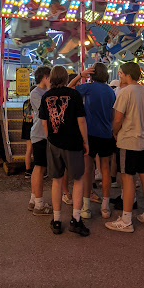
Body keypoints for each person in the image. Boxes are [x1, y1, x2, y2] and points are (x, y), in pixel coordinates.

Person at [39, 66, 90, 236]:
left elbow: (44, 123)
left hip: (54, 144)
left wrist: (51, 138)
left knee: (56, 180)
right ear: (66, 78)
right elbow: (81, 121)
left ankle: (57, 219)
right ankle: (76, 219)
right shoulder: (74, 95)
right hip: (74, 143)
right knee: (77, 180)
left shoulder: (46, 97)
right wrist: (85, 141)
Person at [106, 62, 144, 233]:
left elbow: (117, 119)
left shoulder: (125, 92)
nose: (120, 76)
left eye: (121, 74)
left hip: (128, 142)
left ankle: (126, 220)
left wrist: (114, 132)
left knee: (128, 180)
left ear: (127, 75)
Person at [68, 63, 116, 219]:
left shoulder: (88, 87)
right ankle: (105, 206)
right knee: (106, 170)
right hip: (106, 134)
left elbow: (68, 89)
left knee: (88, 171)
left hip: (90, 135)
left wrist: (80, 75)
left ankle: (86, 207)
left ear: (92, 74)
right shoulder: (110, 91)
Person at [28, 66, 52, 216]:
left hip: (42, 134)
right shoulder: (36, 93)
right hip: (40, 134)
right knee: (39, 167)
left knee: (40, 167)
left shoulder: (43, 92)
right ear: (45, 77)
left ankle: (33, 199)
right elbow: (46, 110)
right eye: (50, 76)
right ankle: (39, 204)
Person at [22, 85, 36, 178]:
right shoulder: (36, 102)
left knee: (28, 149)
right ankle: (36, 169)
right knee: (36, 149)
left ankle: (27, 170)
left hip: (26, 126)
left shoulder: (25, 103)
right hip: (34, 126)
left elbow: (24, 115)